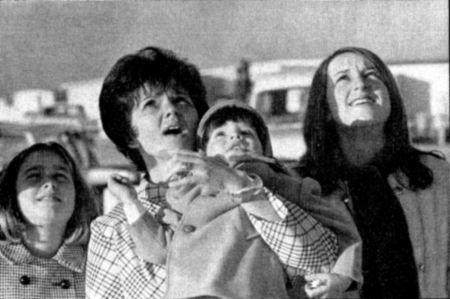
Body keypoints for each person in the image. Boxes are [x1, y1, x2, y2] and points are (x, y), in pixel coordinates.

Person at [86, 46, 338, 299]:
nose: (171, 111)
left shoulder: (256, 186)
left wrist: (239, 187)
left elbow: (320, 259)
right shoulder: (112, 229)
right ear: (129, 134)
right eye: (151, 105)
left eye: (181, 100)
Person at [293, 46, 450, 299]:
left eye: (371, 75)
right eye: (343, 78)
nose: (361, 85)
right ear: (324, 107)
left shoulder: (437, 175)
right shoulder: (301, 186)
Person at [0, 142, 98, 298]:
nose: (50, 184)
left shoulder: (100, 264)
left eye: (60, 176)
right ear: (11, 194)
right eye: (34, 176)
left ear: (77, 194)